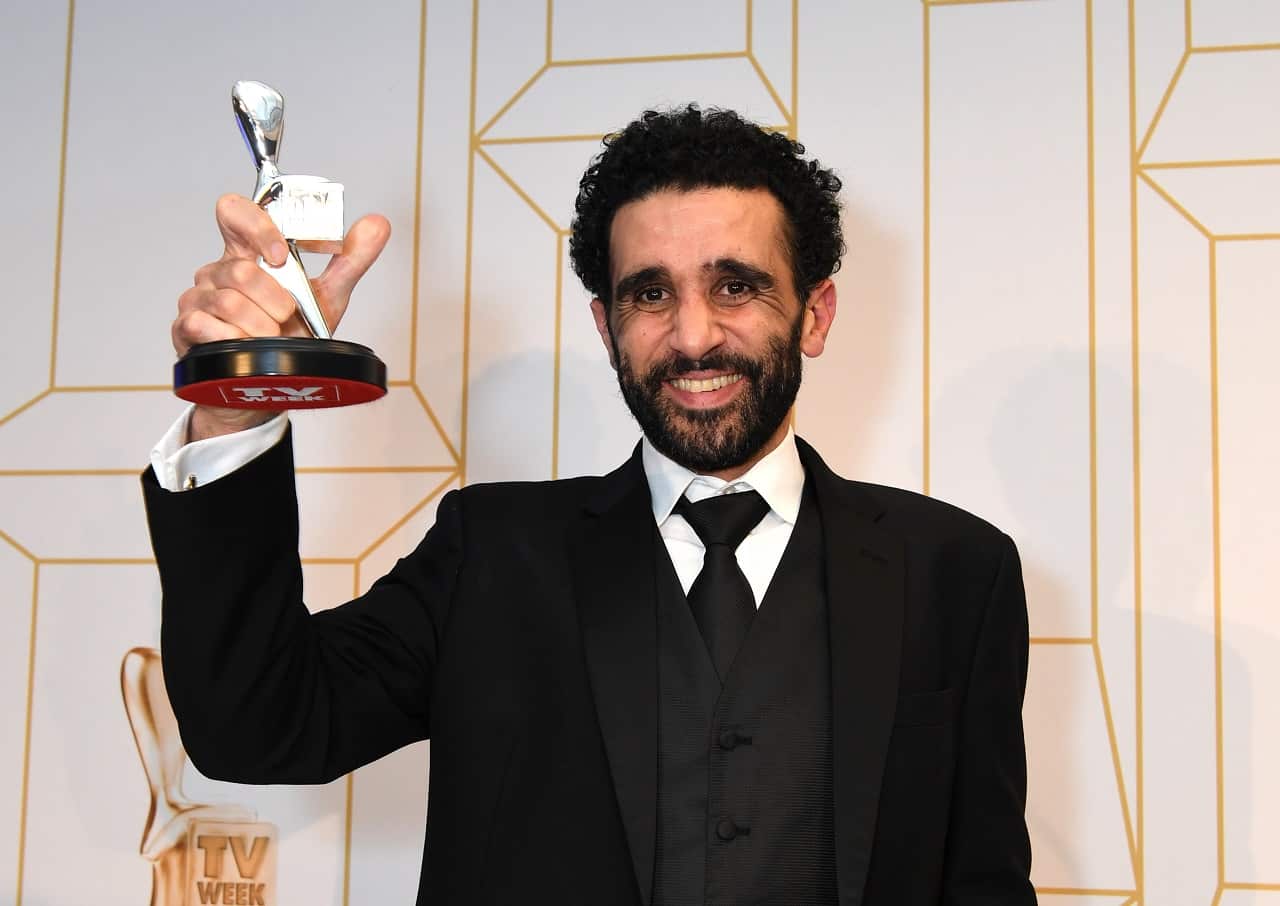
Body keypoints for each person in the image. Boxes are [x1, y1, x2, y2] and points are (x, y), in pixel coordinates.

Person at [143, 106, 1036, 905]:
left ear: (814, 314)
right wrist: (231, 403)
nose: (692, 335)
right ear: (607, 326)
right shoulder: (489, 554)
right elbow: (255, 727)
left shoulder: (956, 571)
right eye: (651, 293)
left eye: (737, 286)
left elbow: (983, 882)